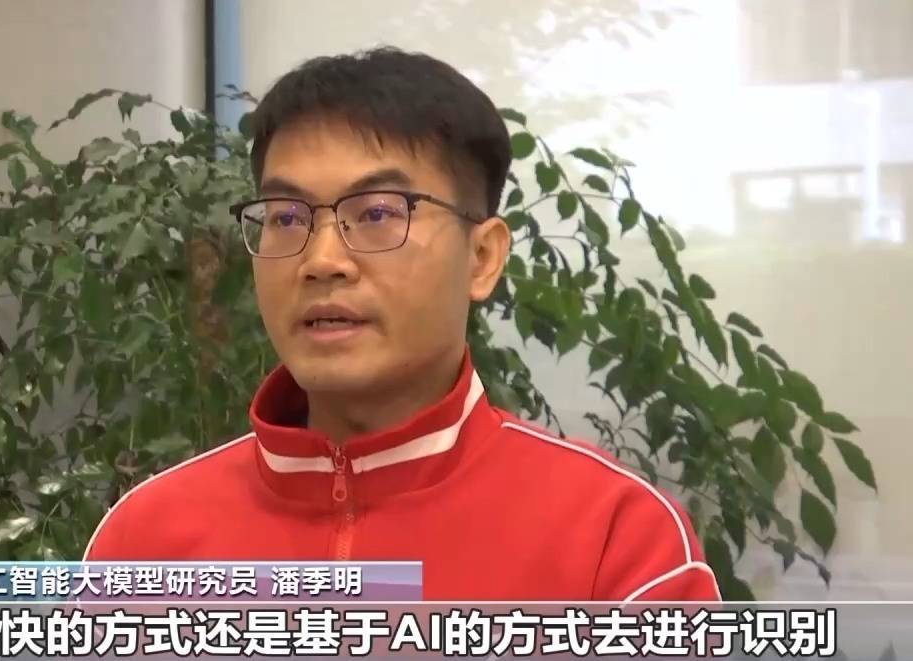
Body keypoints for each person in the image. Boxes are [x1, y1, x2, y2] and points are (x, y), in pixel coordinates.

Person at [85, 47, 720, 602]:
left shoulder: (616, 538)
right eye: (286, 217)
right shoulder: (144, 541)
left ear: (482, 257)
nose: (322, 260)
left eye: (378, 213)